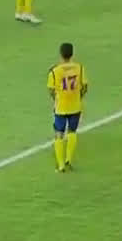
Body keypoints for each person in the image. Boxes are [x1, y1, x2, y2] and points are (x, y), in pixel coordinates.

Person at [46, 42, 88, 173]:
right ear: (72, 54)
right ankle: (68, 160)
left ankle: (61, 165)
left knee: (59, 134)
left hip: (61, 107)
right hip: (75, 106)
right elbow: (85, 86)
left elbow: (51, 89)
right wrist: (79, 97)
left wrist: (56, 99)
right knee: (72, 131)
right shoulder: (79, 68)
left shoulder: (54, 71)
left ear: (60, 54)